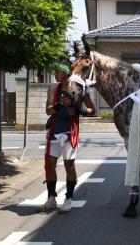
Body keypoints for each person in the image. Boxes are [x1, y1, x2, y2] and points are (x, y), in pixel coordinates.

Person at [37, 57, 96, 213]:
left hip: (70, 131)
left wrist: (78, 111)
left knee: (69, 166)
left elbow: (92, 110)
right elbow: (49, 110)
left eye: (57, 71)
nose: (55, 74)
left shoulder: (78, 87)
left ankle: (69, 198)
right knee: (49, 166)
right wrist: (59, 104)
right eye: (55, 71)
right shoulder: (53, 88)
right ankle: (51, 198)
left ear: (65, 72)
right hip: (55, 131)